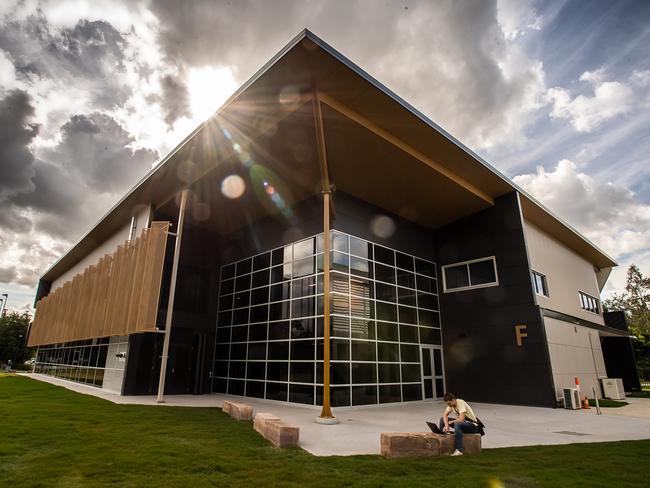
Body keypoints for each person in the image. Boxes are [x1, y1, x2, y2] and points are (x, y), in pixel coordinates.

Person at [433, 392, 480, 456]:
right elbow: (445, 414)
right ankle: (443, 441)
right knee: (442, 420)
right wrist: (446, 426)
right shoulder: (451, 405)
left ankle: (459, 450)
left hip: (473, 426)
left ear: (453, 400)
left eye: (449, 403)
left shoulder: (460, 403)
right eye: (447, 404)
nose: (448, 405)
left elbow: (462, 419)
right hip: (463, 424)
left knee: (457, 424)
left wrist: (451, 422)